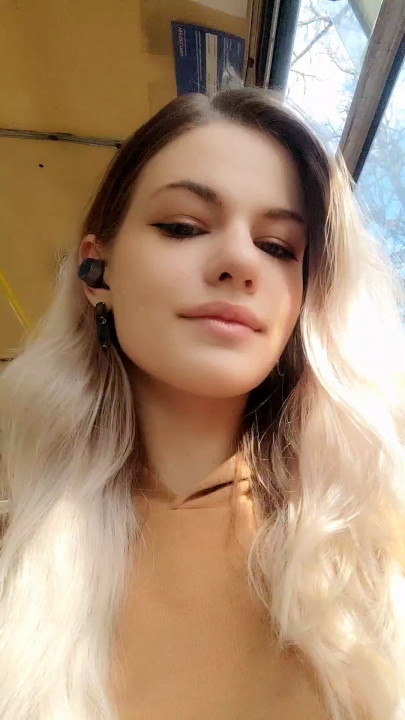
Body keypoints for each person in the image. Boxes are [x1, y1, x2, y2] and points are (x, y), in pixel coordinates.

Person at [1, 86, 405, 720]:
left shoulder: (378, 533)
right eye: (183, 227)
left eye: (279, 247)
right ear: (96, 272)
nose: (240, 261)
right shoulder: (15, 526)